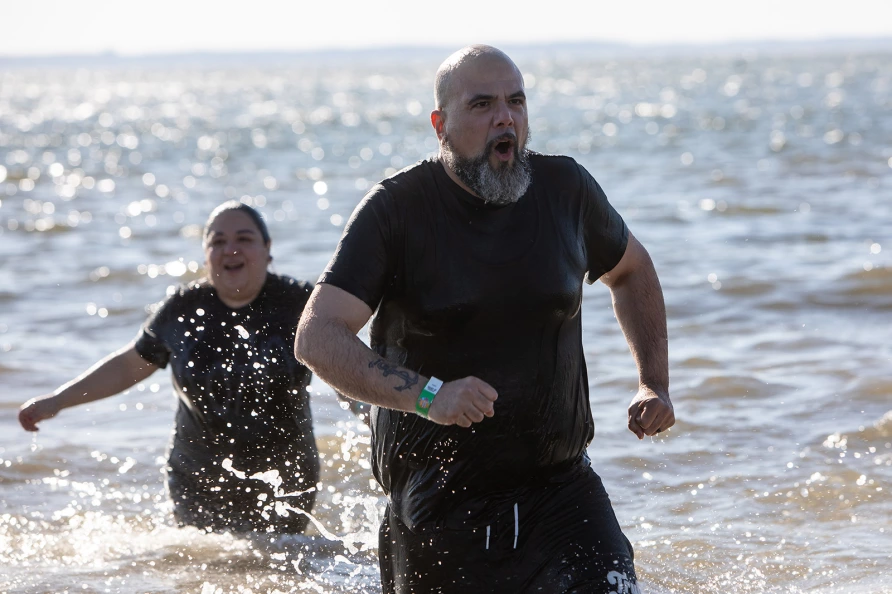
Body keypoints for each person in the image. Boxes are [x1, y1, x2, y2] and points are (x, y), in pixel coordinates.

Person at [295, 45, 675, 593]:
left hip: (562, 489)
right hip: (438, 501)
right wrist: (429, 395)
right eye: (482, 104)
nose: (505, 118)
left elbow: (632, 269)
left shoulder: (565, 190)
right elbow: (317, 336)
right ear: (440, 125)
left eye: (516, 101)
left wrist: (653, 382)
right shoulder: (396, 211)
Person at [19, 201, 320, 535]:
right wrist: (58, 400)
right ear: (205, 255)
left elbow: (339, 366)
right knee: (201, 562)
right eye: (217, 241)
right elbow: (128, 366)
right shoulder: (183, 309)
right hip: (198, 479)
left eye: (244, 239)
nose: (230, 249)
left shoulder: (301, 305)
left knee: (281, 561)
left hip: (284, 478)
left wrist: (366, 408)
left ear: (267, 249)